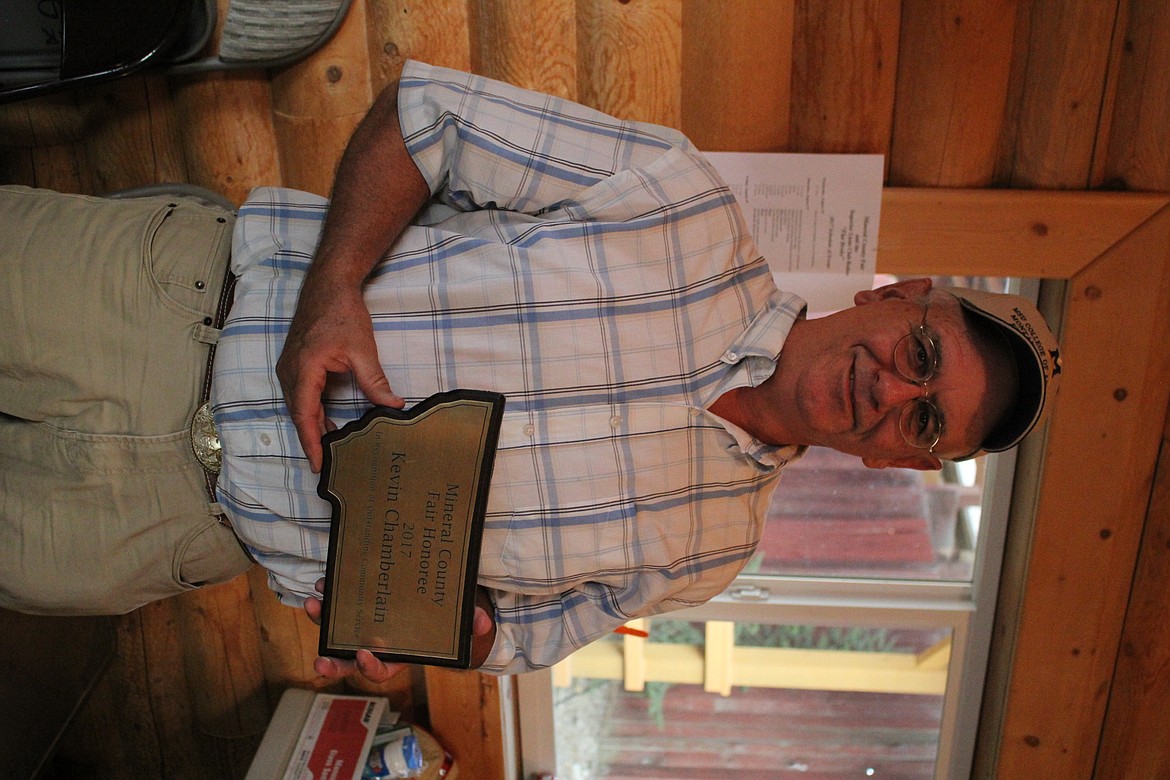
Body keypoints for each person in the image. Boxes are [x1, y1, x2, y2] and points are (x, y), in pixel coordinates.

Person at [0, 61, 1060, 680]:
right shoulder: (680, 200)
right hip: (153, 310)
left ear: (903, 467)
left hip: (156, 531)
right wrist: (335, 290)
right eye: (923, 356)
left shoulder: (711, 554)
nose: (894, 391)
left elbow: (520, 638)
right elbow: (429, 115)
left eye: (929, 423)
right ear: (893, 296)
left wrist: (447, 634)